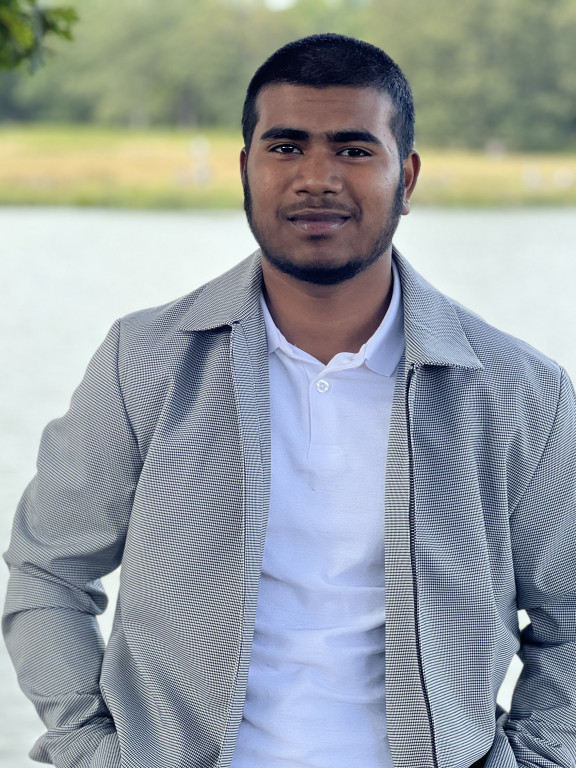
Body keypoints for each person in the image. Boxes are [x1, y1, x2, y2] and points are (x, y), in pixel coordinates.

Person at [3, 33, 576, 768]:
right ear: (245, 169)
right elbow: (49, 572)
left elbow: (567, 616)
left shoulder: (518, 391)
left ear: (407, 177)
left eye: (353, 150)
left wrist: (537, 759)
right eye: (286, 147)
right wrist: (91, 748)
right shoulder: (144, 361)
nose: (316, 178)